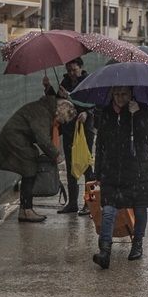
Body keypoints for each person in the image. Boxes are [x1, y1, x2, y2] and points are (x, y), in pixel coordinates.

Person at [89, 85, 148, 269]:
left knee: (139, 206)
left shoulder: (142, 109)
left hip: (138, 167)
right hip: (113, 168)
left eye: (124, 94)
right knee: (109, 208)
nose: (120, 98)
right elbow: (101, 143)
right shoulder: (105, 113)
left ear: (131, 94)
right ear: (112, 93)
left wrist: (137, 115)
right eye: (117, 94)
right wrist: (98, 172)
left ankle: (137, 243)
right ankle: (105, 250)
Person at [0, 85, 70, 224]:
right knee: (29, 170)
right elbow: (42, 138)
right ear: (59, 113)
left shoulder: (47, 109)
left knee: (29, 170)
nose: (60, 124)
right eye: (62, 120)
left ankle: (25, 209)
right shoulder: (43, 113)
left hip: (17, 136)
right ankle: (27, 210)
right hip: (15, 137)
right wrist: (56, 154)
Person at [55, 58, 93, 213]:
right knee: (71, 166)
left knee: (86, 165)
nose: (71, 73)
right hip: (69, 129)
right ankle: (72, 203)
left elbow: (92, 103)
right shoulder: (64, 82)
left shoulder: (88, 82)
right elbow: (59, 103)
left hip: (84, 130)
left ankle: (90, 203)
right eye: (69, 70)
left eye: (74, 70)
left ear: (81, 68)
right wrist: (49, 89)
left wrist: (87, 113)